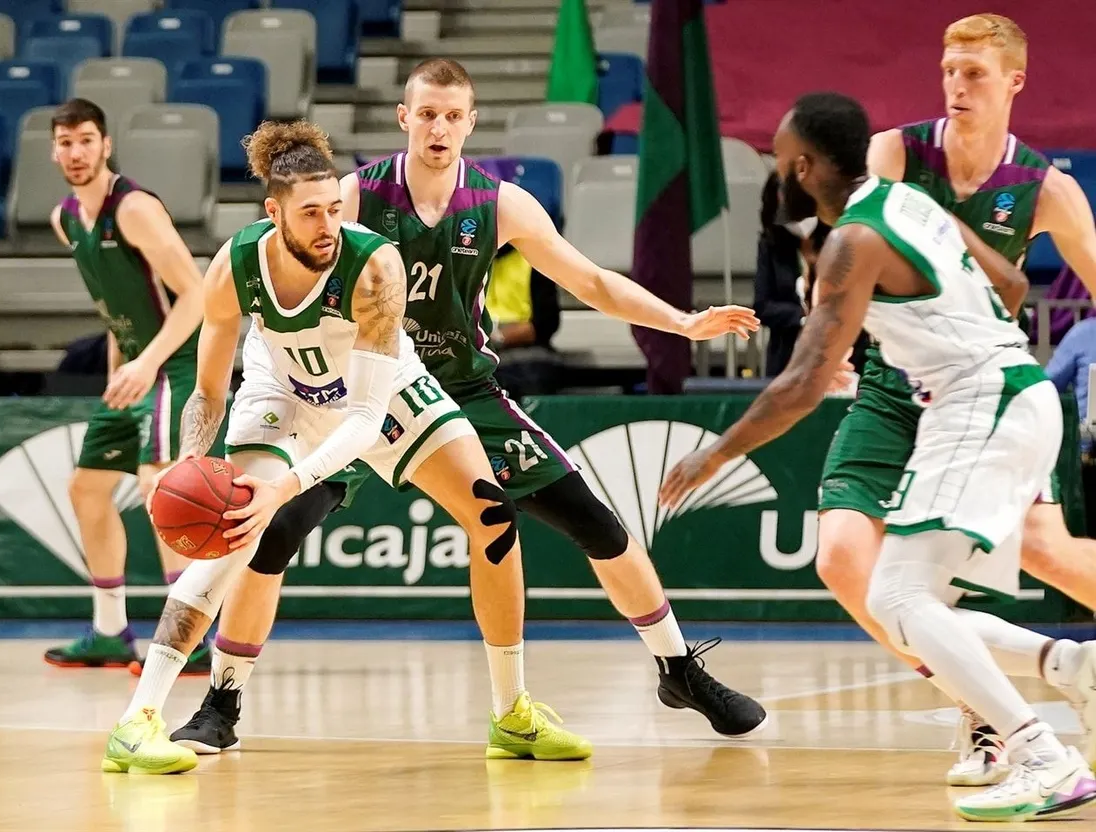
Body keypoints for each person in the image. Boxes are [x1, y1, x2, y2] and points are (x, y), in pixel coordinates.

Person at [166, 58, 767, 757]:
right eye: (427, 113)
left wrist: (683, 322)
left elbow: (592, 280)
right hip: (356, 386)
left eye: (453, 116)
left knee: (594, 521)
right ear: (404, 118)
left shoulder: (499, 203)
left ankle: (677, 668)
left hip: (460, 390)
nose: (439, 127)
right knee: (273, 530)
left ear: (471, 123)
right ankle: (222, 699)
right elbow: (280, 275)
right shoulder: (355, 197)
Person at [102, 120, 605, 775]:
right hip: (280, 389)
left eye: (334, 209)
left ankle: (511, 713)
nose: (326, 225)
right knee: (238, 528)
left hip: (378, 389)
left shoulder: (374, 266)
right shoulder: (235, 265)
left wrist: (290, 484)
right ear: (272, 212)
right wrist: (194, 460)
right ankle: (138, 721)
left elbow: (366, 417)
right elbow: (206, 391)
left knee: (492, 514)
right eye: (309, 213)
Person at [660, 91, 1096, 823]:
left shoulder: (854, 240)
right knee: (896, 601)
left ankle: (1042, 755)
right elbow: (1014, 284)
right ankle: (1069, 668)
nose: (775, 173)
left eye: (776, 158)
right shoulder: (906, 201)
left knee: (899, 597)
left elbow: (801, 383)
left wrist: (716, 454)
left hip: (979, 403)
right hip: (991, 396)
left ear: (803, 166)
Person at [810, 13, 1096, 782]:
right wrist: (826, 344)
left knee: (1047, 553)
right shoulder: (897, 153)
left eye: (974, 72)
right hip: (893, 387)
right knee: (843, 560)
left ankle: (1041, 691)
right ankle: (987, 713)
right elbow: (840, 256)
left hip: (982, 392)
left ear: (1015, 82)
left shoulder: (1045, 188)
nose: (957, 85)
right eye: (948, 70)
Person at [40, 98, 213, 672]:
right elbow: (119, 303)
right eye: (65, 142)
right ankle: (110, 631)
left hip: (180, 360)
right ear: (53, 151)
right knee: (86, 488)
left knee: (160, 488)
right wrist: (123, 365)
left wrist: (147, 365)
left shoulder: (134, 208)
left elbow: (196, 296)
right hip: (137, 364)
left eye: (86, 139)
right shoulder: (66, 219)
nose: (76, 152)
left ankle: (187, 640)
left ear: (106, 144)